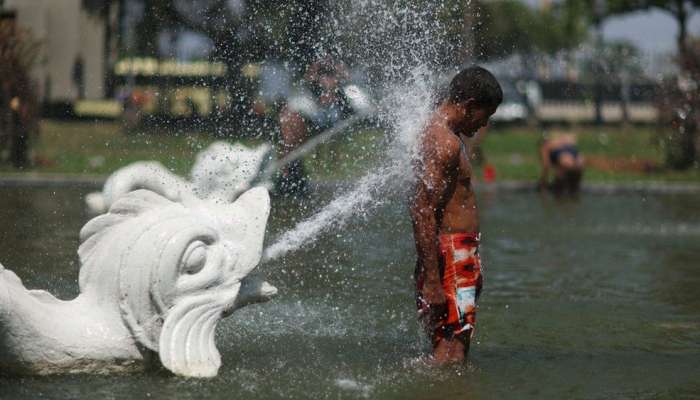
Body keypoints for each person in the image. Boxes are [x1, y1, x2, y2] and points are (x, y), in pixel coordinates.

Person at [410, 66, 502, 364]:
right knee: (452, 351)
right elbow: (422, 209)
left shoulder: (441, 132)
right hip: (451, 254)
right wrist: (434, 282)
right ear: (469, 105)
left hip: (453, 255)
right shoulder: (444, 142)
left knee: (449, 344)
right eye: (484, 115)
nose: (484, 124)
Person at [276, 55, 351, 195]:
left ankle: (291, 172)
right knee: (289, 129)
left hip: (328, 114)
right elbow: (308, 80)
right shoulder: (310, 82)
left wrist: (334, 77)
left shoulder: (337, 80)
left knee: (294, 135)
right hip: (314, 113)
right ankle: (289, 172)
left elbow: (345, 77)